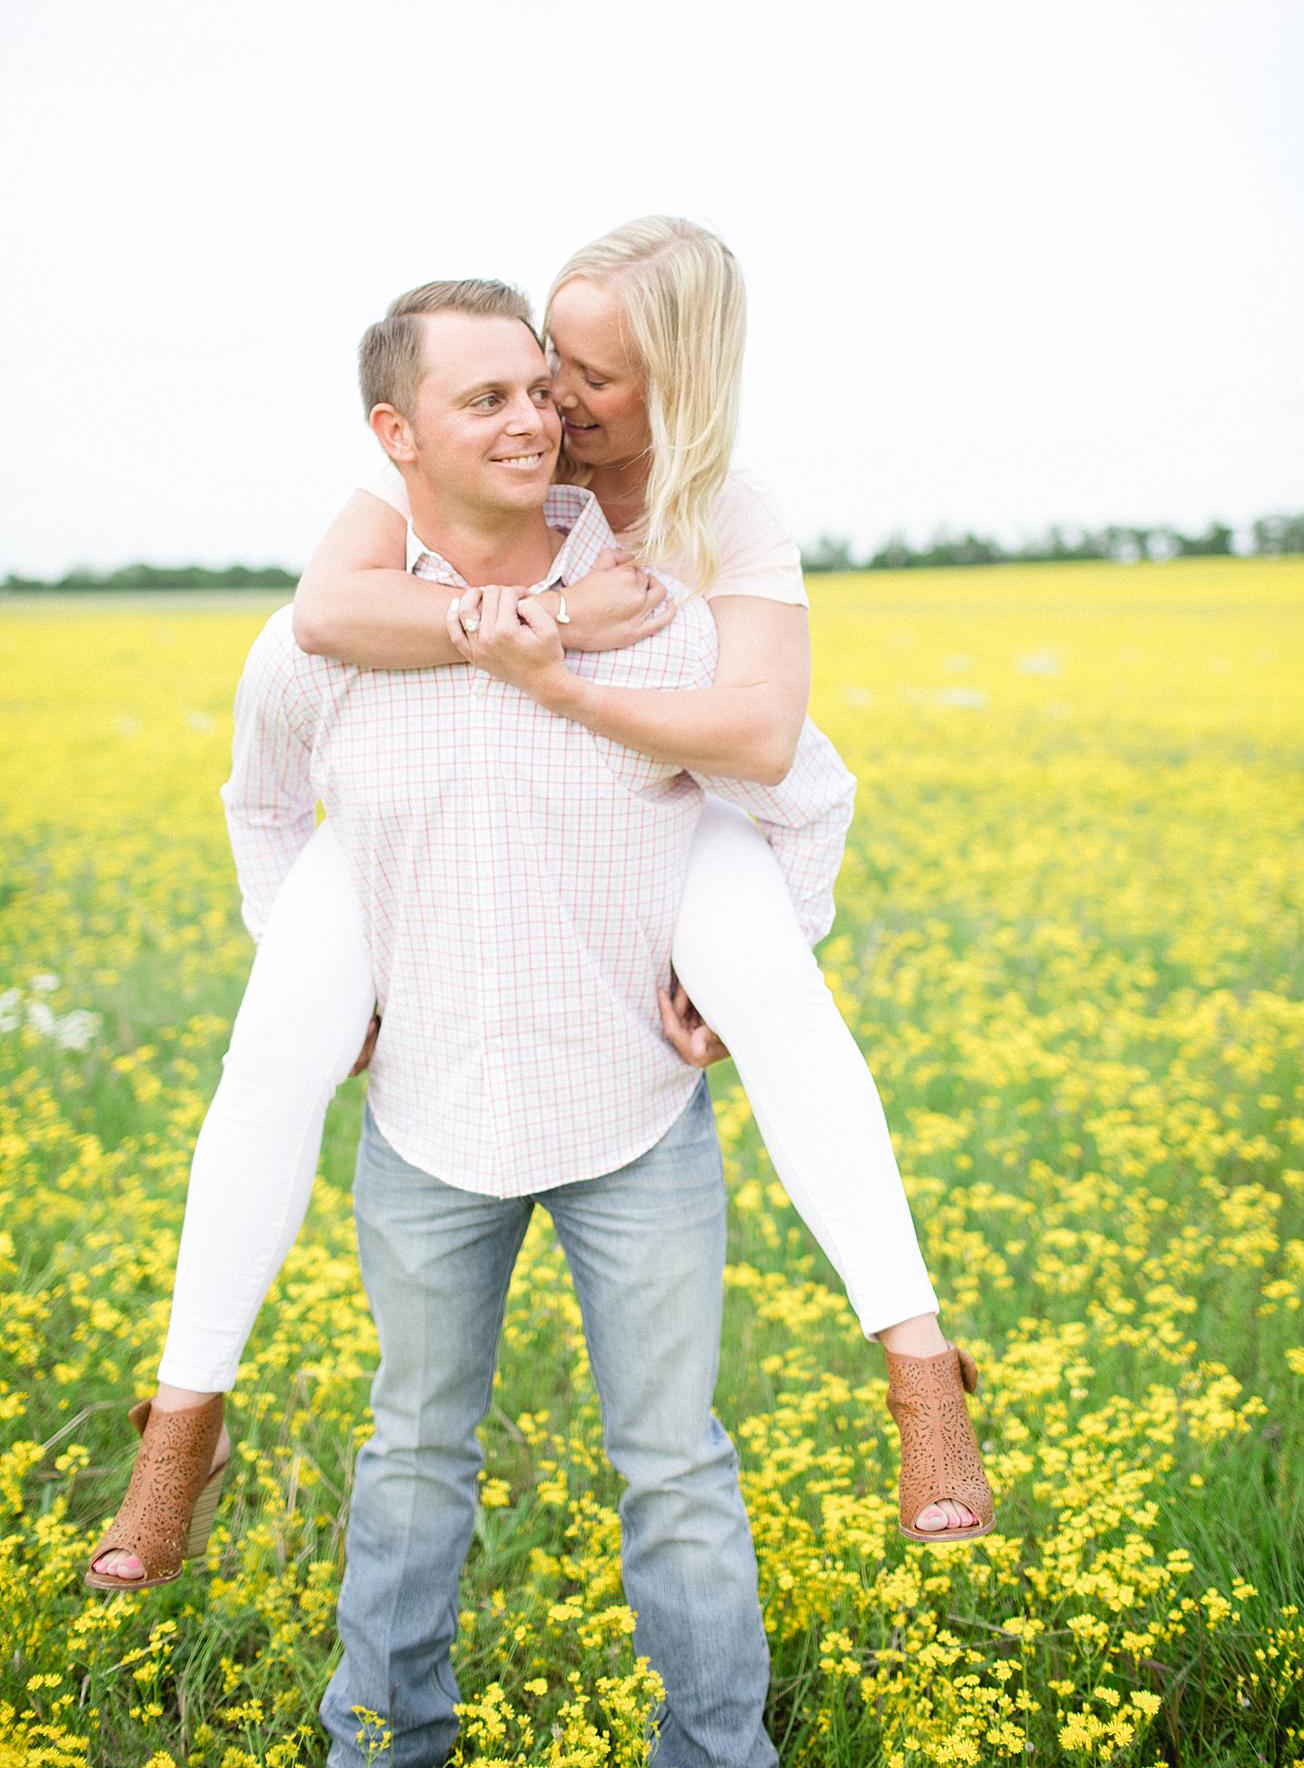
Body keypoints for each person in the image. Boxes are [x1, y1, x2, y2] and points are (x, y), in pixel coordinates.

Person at [85, 222, 994, 1601]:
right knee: (270, 1052)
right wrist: (553, 624)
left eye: (586, 377)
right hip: (401, 827)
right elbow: (324, 619)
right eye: (539, 363)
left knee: (781, 1003)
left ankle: (921, 1370)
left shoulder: (718, 519)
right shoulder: (457, 467)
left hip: (671, 808)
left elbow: (776, 748)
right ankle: (181, 1426)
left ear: (675, 384)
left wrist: (766, 919)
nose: (552, 402)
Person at [169, 281, 860, 1764]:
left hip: (633, 1117)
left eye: (543, 391)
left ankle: (720, 1754)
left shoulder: (655, 610)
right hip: (429, 1116)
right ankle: (381, 1748)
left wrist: (744, 981)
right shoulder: (326, 643)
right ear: (394, 437)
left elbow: (803, 787)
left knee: (675, 1464)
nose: (537, 418)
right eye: (488, 398)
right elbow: (261, 808)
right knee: (413, 1454)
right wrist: (316, 982)